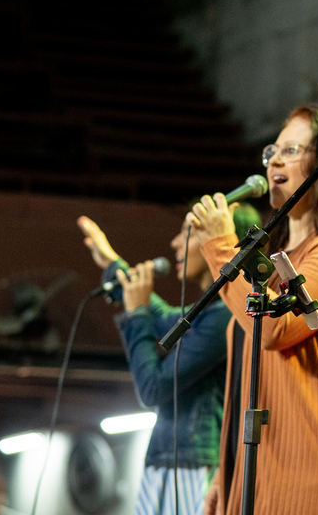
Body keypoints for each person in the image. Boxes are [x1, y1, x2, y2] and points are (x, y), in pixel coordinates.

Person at [188, 105, 318, 515]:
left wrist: (219, 247)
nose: (275, 161)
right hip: (262, 464)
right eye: (272, 152)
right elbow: (253, 375)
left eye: (292, 150)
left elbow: (275, 329)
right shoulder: (273, 261)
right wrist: (225, 474)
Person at [77, 201, 261, 515]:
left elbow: (153, 388)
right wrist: (113, 263)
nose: (175, 243)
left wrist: (136, 314)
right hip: (175, 460)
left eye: (188, 233)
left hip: (195, 464)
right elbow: (162, 316)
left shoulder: (226, 316)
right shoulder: (212, 313)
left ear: (223, 236)